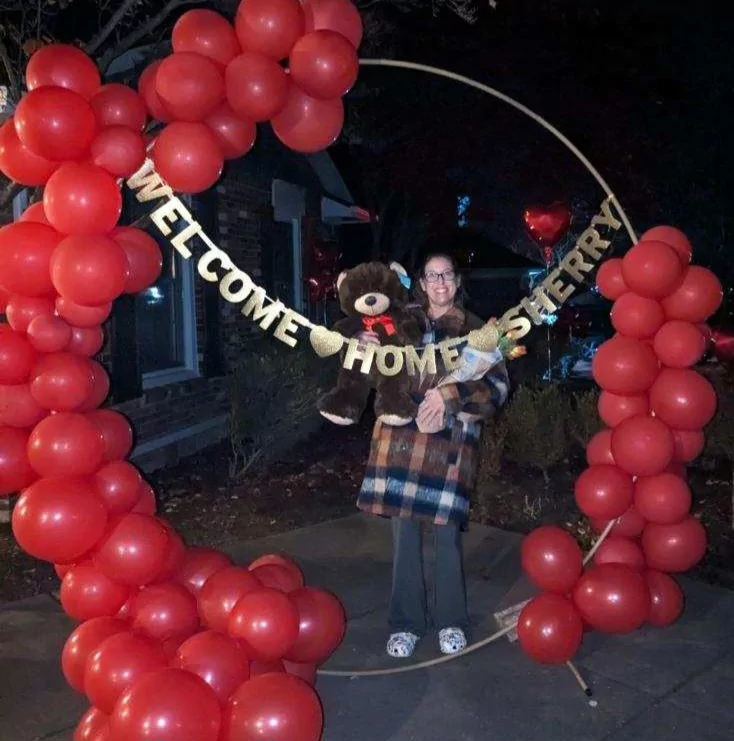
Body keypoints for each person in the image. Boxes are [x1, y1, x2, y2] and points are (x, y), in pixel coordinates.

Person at [356, 253, 510, 658]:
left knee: (447, 538)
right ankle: (406, 624)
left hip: (449, 449)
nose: (440, 283)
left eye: (447, 275)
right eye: (432, 276)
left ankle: (451, 621)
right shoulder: (398, 322)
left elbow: (496, 389)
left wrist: (450, 394)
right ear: (421, 283)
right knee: (404, 537)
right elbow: (370, 371)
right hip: (401, 442)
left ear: (457, 281)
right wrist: (360, 347)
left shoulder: (477, 329)